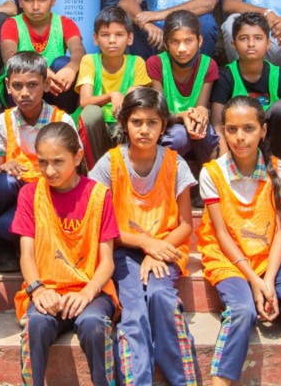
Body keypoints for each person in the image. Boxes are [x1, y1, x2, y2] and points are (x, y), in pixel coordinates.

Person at [198, 96, 281, 386]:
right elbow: (221, 234)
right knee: (241, 310)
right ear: (223, 131)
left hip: (272, 255)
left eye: (249, 128)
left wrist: (270, 280)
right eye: (231, 129)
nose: (239, 137)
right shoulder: (212, 173)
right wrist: (256, 281)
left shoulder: (278, 170)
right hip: (228, 258)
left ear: (263, 131)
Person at [88, 89, 202, 386]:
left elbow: (186, 225)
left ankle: (183, 379)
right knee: (134, 310)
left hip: (166, 248)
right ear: (124, 123)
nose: (144, 129)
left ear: (163, 126)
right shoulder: (109, 163)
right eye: (136, 122)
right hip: (123, 250)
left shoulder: (175, 163)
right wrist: (143, 243)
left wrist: (155, 250)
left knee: (162, 296)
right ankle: (138, 380)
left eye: (152, 122)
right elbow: (99, 225)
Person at [12, 122, 118, 386]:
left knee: (94, 324)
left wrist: (87, 292)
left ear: (78, 156)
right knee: (35, 325)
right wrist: (37, 290)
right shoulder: (30, 194)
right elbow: (26, 254)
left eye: (58, 161)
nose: (49, 170)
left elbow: (107, 261)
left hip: (90, 290)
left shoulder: (98, 195)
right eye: (43, 161)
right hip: (47, 290)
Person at [0, 51, 78, 273]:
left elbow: (73, 170)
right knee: (1, 186)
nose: (24, 93)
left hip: (50, 192)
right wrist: (3, 166)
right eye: (17, 86)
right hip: (18, 193)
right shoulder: (3, 121)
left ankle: (36, 243)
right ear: (7, 86)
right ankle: (3, 245)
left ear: (46, 85)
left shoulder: (61, 120)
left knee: (17, 225)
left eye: (32, 85)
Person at [211, 12, 281, 175]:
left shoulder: (278, 76)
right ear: (233, 44)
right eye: (243, 38)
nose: (251, 44)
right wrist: (224, 167)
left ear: (268, 43)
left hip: (270, 146)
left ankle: (274, 172)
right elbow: (217, 124)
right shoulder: (226, 76)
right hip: (237, 145)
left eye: (258, 38)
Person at [147, 11, 221, 183]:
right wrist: (181, 116)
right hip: (167, 126)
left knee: (204, 132)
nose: (182, 49)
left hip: (193, 124)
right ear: (166, 43)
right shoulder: (156, 63)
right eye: (175, 41)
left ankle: (207, 186)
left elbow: (200, 108)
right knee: (179, 135)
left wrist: (201, 112)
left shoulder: (208, 65)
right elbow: (159, 113)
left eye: (188, 41)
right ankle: (166, 186)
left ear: (200, 41)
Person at [0, 0, 85, 113]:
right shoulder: (12, 24)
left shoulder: (64, 23)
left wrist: (72, 67)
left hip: (54, 88)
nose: (36, 6)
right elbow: (9, 56)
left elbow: (78, 50)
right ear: (20, 1)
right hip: (24, 90)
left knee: (64, 63)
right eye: (28, 0)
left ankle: (61, 123)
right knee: (13, 68)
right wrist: (41, 70)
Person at [76, 6, 151, 163]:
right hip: (97, 130)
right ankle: (94, 172)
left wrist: (131, 93)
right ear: (95, 38)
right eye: (105, 35)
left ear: (130, 38)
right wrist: (112, 95)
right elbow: (84, 101)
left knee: (136, 114)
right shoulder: (89, 61)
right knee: (90, 113)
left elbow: (139, 97)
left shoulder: (136, 63)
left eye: (119, 35)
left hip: (123, 128)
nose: (112, 40)